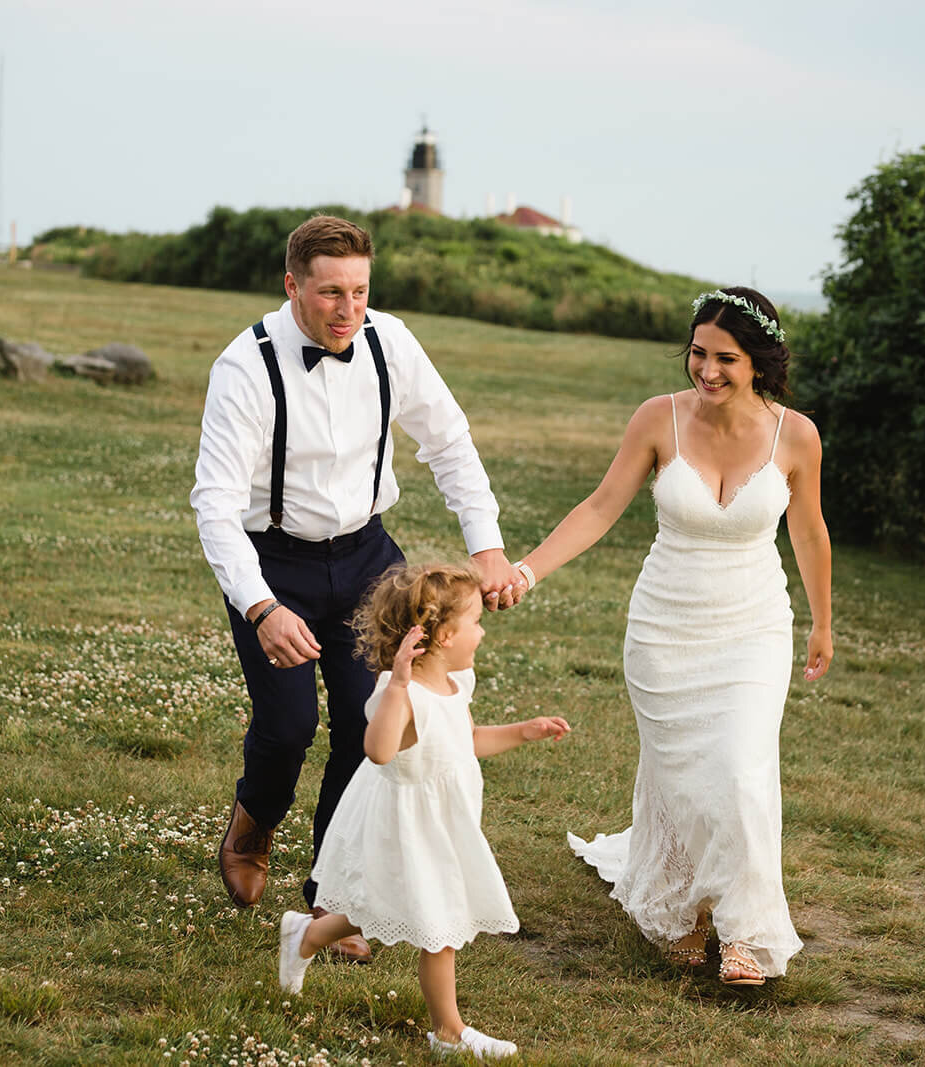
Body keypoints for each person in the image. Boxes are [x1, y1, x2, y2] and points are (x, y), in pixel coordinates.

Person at [191, 215, 523, 964]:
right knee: (286, 727)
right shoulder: (244, 367)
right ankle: (251, 825)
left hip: (370, 558)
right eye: (330, 292)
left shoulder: (390, 341)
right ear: (292, 286)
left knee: (369, 726)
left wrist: (488, 544)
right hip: (273, 563)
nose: (347, 310)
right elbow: (214, 502)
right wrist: (261, 604)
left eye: (360, 292)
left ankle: (334, 892)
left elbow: (449, 440)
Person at [513, 286, 832, 985]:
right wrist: (527, 571)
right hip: (664, 627)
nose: (707, 371)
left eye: (727, 358)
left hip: (753, 626)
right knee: (681, 773)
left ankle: (745, 931)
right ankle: (683, 911)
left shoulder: (796, 435)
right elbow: (600, 507)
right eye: (698, 353)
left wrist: (823, 621)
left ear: (760, 362)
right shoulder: (660, 419)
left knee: (743, 769)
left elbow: (807, 530)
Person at [278, 561, 570, 1060]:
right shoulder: (404, 695)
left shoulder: (458, 684)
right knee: (439, 926)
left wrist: (523, 731)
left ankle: (305, 935)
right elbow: (379, 750)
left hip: (443, 822)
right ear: (446, 634)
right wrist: (394, 686)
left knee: (379, 906)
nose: (482, 631)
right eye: (476, 622)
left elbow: (461, 740)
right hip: (407, 823)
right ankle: (449, 1032)